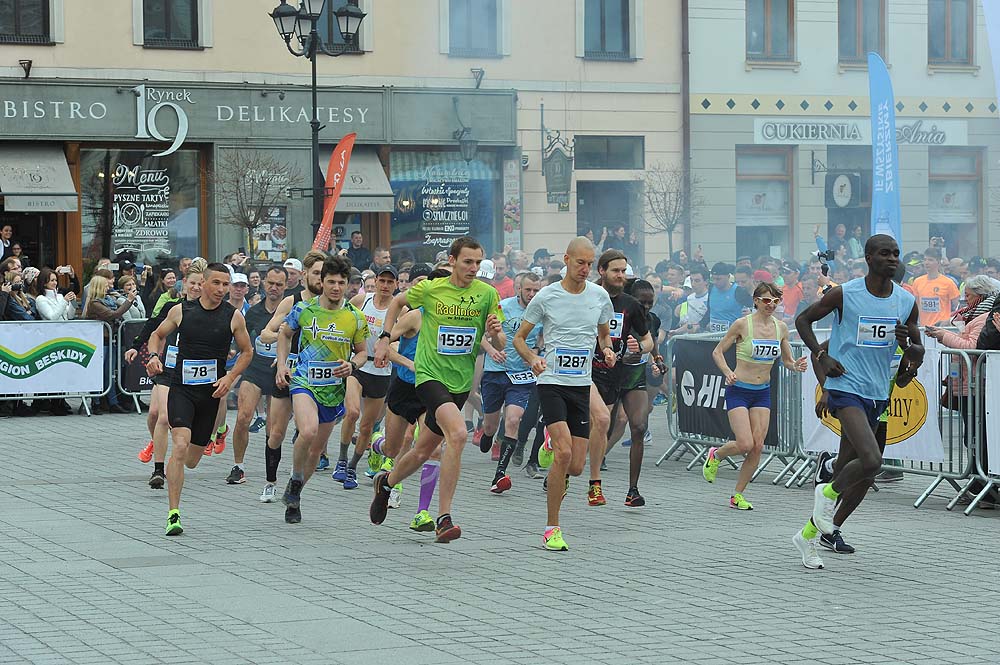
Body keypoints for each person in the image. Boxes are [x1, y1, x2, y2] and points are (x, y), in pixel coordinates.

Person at [792, 234, 922, 570]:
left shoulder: (905, 301)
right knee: (872, 460)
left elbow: (916, 352)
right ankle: (828, 491)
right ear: (868, 257)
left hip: (879, 393)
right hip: (846, 385)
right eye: (884, 253)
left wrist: (911, 351)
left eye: (896, 253)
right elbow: (803, 320)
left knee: (861, 473)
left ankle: (811, 535)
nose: (892, 258)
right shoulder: (845, 293)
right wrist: (821, 355)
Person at [369, 236, 505, 543]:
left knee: (421, 451)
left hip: (459, 383)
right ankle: (443, 517)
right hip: (429, 376)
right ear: (453, 261)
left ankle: (386, 484)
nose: (473, 268)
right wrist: (384, 336)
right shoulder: (431, 290)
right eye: (468, 261)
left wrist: (496, 335)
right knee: (457, 435)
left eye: (477, 263)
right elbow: (397, 302)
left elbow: (500, 344)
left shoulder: (486, 295)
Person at [513, 236, 614, 550]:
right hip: (552, 381)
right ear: (567, 260)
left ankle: (548, 442)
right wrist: (533, 359)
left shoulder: (599, 296)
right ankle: (552, 527)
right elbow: (520, 338)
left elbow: (603, 335)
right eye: (580, 262)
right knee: (564, 453)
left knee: (576, 466)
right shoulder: (546, 296)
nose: (585, 269)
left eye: (590, 263)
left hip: (581, 385)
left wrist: (608, 351)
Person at [145, 263, 253, 535]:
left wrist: (229, 378)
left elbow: (247, 352)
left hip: (210, 396)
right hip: (181, 390)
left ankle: (198, 450)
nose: (221, 289)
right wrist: (154, 357)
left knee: (192, 459)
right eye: (216, 283)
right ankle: (173, 514)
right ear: (203, 283)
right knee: (179, 447)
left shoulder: (234, 316)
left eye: (225, 284)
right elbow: (156, 335)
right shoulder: (182, 311)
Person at [277, 256, 369, 524]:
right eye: (331, 282)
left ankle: (295, 497)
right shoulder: (305, 309)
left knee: (316, 452)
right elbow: (284, 334)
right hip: (304, 380)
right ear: (321, 281)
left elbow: (363, 353)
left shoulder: (355, 317)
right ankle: (295, 479)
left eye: (342, 282)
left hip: (333, 388)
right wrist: (282, 364)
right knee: (307, 430)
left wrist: (351, 365)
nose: (336, 287)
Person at [703, 282, 807, 510]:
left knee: (758, 446)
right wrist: (727, 372)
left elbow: (787, 360)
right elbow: (717, 351)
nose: (771, 305)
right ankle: (716, 455)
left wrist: (795, 366)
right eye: (767, 300)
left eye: (775, 301)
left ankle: (737, 495)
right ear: (756, 300)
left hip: (762, 393)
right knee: (744, 443)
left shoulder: (781, 328)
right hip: (739, 389)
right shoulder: (742, 324)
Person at [129, 259, 208, 489]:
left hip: (190, 372)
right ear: (184, 285)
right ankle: (158, 457)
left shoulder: (210, 312)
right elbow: (153, 326)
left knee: (163, 417)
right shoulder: (171, 308)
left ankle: (159, 468)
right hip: (168, 367)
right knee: (155, 415)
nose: (196, 288)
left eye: (200, 284)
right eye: (192, 283)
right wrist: (136, 345)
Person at [586, 250, 653, 506]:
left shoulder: (630, 304)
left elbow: (647, 339)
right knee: (593, 426)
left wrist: (641, 348)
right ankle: (565, 469)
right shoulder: (586, 296)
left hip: (627, 372)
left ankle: (632, 490)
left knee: (638, 426)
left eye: (624, 271)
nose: (621, 276)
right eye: (616, 270)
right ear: (602, 271)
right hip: (594, 372)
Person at [332, 264, 399, 489]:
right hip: (358, 364)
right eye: (383, 281)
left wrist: (392, 346)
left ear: (396, 285)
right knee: (352, 412)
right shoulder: (363, 301)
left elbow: (401, 337)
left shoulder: (400, 310)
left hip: (381, 371)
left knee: (367, 426)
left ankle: (352, 467)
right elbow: (344, 320)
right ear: (376, 281)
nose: (386, 286)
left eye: (391, 282)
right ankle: (341, 459)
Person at [479, 271, 543, 494]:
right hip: (496, 372)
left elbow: (543, 338)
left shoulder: (542, 311)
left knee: (514, 419)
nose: (532, 294)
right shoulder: (503, 307)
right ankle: (487, 434)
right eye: (528, 290)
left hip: (522, 376)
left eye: (536, 290)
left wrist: (535, 353)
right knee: (490, 424)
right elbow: (481, 333)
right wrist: (492, 351)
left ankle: (500, 474)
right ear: (519, 289)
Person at [229, 266, 289, 489]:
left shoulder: (292, 311)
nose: (274, 288)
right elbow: (242, 341)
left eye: (279, 285)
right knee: (243, 417)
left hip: (278, 373)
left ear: (286, 286)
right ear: (263, 283)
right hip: (255, 371)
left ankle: (270, 471)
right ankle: (238, 466)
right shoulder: (253, 313)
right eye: (270, 283)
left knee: (273, 428)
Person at [911, 248, 960, 326]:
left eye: (930, 260)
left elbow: (957, 306)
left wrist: (949, 320)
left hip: (942, 328)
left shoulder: (948, 282)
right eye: (925, 260)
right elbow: (916, 305)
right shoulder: (917, 282)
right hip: (924, 328)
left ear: (938, 262)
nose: (926, 263)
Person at [704, 262, 751, 333]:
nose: (715, 282)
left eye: (718, 279)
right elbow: (709, 310)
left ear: (728, 277)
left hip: (733, 336)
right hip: (713, 336)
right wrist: (700, 325)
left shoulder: (739, 291)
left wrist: (750, 312)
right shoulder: (711, 288)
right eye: (713, 279)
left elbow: (753, 308)